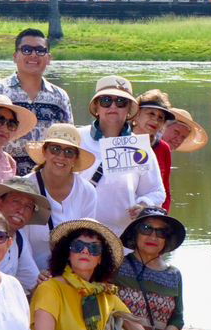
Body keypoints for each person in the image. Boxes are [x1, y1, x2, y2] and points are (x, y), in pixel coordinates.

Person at [78, 76, 166, 233]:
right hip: (78, 235)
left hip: (122, 238)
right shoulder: (77, 138)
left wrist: (143, 205)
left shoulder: (140, 147)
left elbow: (157, 191)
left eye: (121, 102)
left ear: (129, 110)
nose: (113, 106)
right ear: (96, 107)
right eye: (106, 101)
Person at [0, 27, 72, 175]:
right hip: (1, 177)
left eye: (40, 50)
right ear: (15, 56)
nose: (33, 55)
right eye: (26, 50)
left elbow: (68, 141)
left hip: (46, 179)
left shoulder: (60, 97)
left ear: (48, 58)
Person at [21, 122, 100, 260]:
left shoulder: (87, 191)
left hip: (70, 273)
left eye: (69, 152)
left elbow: (86, 239)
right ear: (44, 151)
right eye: (55, 149)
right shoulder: (25, 187)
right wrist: (35, 277)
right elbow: (21, 243)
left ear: (75, 158)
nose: (61, 156)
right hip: (29, 275)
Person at [0, 174, 52, 287]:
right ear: (0, 203)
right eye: (16, 201)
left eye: (28, 207)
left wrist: (43, 282)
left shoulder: (19, 239)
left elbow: (32, 282)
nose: (21, 210)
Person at [131, 90, 177, 210]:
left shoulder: (163, 148)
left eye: (160, 118)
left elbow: (165, 191)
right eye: (151, 114)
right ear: (136, 114)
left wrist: (163, 217)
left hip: (147, 214)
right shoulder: (119, 141)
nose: (155, 121)